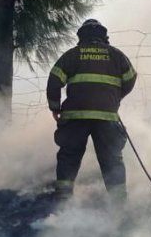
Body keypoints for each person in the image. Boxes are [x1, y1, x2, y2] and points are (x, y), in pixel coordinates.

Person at [46, 19, 137, 201]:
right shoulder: (117, 55)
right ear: (104, 36)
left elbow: (54, 80)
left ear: (81, 36)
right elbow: (131, 79)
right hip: (107, 116)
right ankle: (119, 203)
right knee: (112, 158)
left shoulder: (72, 55)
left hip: (75, 116)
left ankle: (62, 199)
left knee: (69, 155)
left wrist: (55, 107)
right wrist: (114, 98)